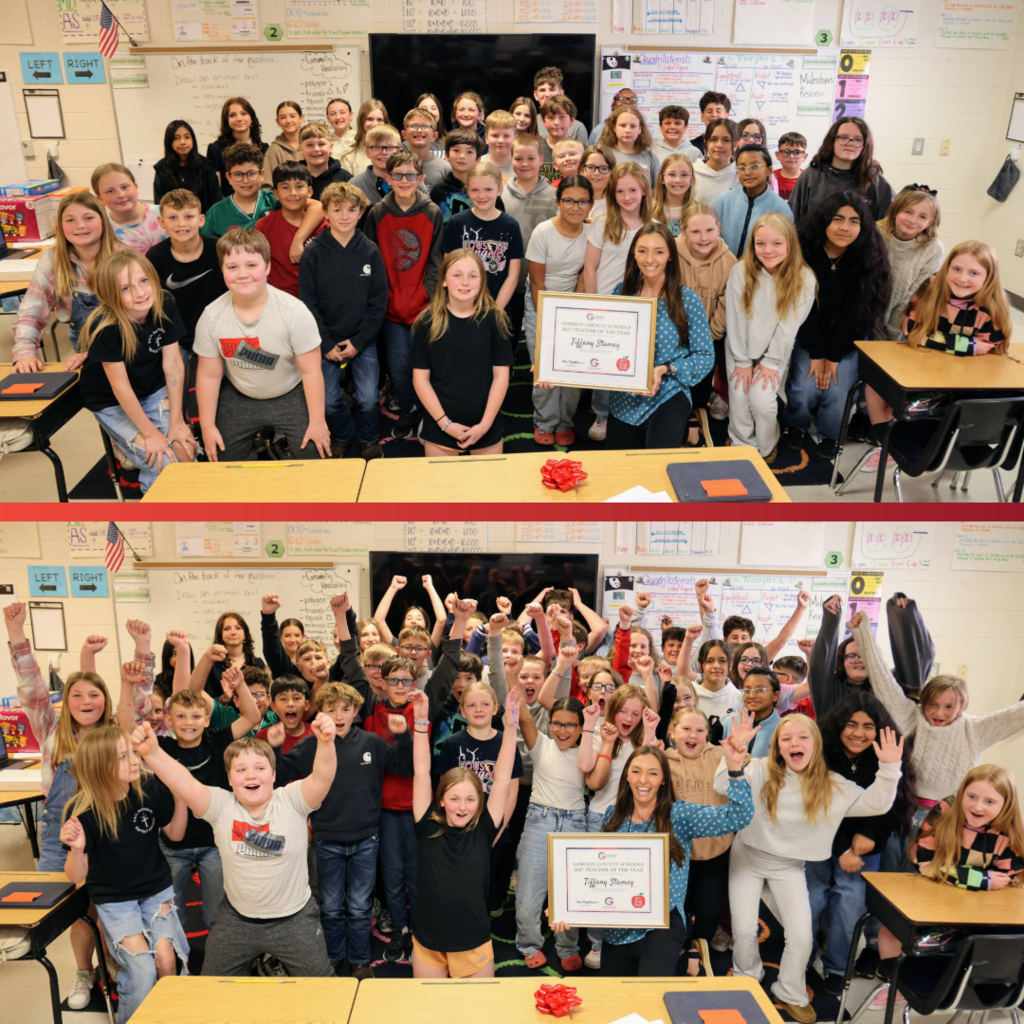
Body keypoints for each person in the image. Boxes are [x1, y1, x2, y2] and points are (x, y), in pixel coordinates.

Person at [719, 714, 904, 1023]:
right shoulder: (761, 768)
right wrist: (734, 760)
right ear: (777, 746)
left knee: (802, 938)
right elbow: (720, 784)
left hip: (789, 866)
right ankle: (746, 975)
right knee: (743, 930)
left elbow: (876, 805)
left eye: (803, 737)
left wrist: (889, 769)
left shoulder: (831, 784)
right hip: (747, 857)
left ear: (815, 744)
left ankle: (789, 991)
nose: (795, 742)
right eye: (786, 738)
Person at [130, 714, 339, 977]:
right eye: (240, 770)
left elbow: (322, 777)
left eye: (260, 768)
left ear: (273, 775)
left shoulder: (293, 799)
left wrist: (327, 742)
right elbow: (184, 782)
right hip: (237, 920)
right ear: (229, 779)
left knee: (323, 990)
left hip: (294, 920)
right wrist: (153, 753)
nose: (250, 775)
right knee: (213, 992)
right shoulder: (221, 805)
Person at [5, 603, 120, 1009]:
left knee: (107, 908)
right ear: (65, 701)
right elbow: (32, 687)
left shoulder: (115, 734)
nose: (86, 701)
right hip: (59, 836)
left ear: (106, 701)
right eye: (77, 695)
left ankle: (114, 970)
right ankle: (84, 973)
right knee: (76, 911)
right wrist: (17, 634)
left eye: (94, 694)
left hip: (109, 832)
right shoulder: (51, 730)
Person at [570, 730, 753, 977]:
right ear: (626, 777)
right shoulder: (612, 817)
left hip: (663, 922)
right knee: (617, 1006)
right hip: (618, 928)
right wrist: (570, 906)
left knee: (652, 997)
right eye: (635, 771)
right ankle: (685, 961)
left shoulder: (679, 815)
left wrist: (734, 767)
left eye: (653, 773)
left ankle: (685, 955)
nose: (643, 780)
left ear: (664, 780)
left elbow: (739, 816)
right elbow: (603, 875)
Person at [274, 680, 413, 979]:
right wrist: (274, 744)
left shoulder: (373, 742)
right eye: (330, 709)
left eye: (345, 709)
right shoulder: (312, 744)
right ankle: (335, 956)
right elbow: (281, 772)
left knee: (360, 907)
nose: (338, 716)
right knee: (332, 907)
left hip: (366, 839)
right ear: (319, 713)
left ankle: (361, 960)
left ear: (355, 711)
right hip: (326, 840)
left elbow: (406, 767)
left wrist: (403, 736)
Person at [849, 610, 1024, 831]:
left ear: (962, 706)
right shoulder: (911, 716)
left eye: (949, 707)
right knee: (895, 864)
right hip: (903, 807)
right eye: (933, 704)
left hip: (946, 815)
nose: (939, 713)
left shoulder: (975, 730)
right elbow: (882, 679)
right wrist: (862, 632)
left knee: (930, 863)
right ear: (924, 701)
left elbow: (1014, 717)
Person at [60, 725, 189, 1023]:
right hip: (115, 900)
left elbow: (176, 834)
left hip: (156, 889)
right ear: (99, 767)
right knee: (142, 971)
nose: (133, 760)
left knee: (167, 960)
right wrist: (77, 849)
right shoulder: (81, 810)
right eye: (121, 757)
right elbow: (74, 875)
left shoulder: (148, 787)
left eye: (132, 752)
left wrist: (180, 795)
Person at [872, 765, 1024, 1007]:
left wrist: (957, 875)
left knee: (1003, 939)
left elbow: (1006, 880)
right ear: (961, 792)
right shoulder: (945, 810)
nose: (977, 807)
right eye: (971, 796)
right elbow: (924, 861)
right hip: (933, 895)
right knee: (890, 929)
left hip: (978, 908)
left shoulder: (1010, 828)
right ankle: (898, 985)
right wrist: (982, 879)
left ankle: (987, 989)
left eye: (989, 801)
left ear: (1005, 805)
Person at [808, 693, 918, 995]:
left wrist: (869, 835)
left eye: (868, 726)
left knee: (850, 905)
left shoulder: (889, 755)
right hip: (820, 841)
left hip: (865, 849)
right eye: (851, 724)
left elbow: (895, 804)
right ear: (838, 725)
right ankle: (802, 960)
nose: (858, 733)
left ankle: (836, 968)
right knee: (811, 899)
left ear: (880, 729)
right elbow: (816, 806)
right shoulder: (820, 753)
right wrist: (841, 847)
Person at [194, 227, 330, 462]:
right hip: (240, 394)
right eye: (232, 267)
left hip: (290, 392)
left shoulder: (294, 313)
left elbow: (311, 372)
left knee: (313, 452)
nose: (242, 274)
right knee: (222, 456)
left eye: (251, 265)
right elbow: (208, 376)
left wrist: (318, 421)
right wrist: (207, 427)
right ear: (222, 270)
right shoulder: (211, 316)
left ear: (267, 267)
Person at [780, 191, 890, 460]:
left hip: (848, 337)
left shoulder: (870, 256)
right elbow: (798, 308)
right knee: (803, 387)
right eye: (837, 219)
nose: (845, 227)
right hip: (809, 332)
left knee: (839, 390)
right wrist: (817, 353)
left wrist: (834, 355)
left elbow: (861, 313)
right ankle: (796, 425)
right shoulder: (802, 249)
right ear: (824, 220)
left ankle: (830, 434)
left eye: (854, 221)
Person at [866, 240, 1011, 443]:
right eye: (957, 269)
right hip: (920, 363)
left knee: (898, 403)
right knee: (873, 386)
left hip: (960, 379)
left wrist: (933, 339)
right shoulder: (931, 286)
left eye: (974, 273)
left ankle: (890, 445)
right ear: (947, 267)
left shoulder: (992, 306)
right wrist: (967, 346)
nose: (962, 278)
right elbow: (912, 330)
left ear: (989, 277)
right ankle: (885, 442)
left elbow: (991, 348)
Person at [76, 250, 194, 493]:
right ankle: (159, 521)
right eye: (126, 288)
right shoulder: (105, 327)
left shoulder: (164, 302)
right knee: (162, 460)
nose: (140, 293)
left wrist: (177, 421)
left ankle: (192, 512)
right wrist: (151, 434)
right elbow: (120, 387)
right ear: (110, 295)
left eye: (144, 281)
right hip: (111, 400)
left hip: (151, 387)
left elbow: (172, 363)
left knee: (184, 449)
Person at [606, 223, 714, 449]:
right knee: (619, 471)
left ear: (670, 257)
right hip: (624, 397)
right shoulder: (620, 293)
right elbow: (604, 345)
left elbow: (705, 356)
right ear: (633, 253)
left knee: (659, 469)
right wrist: (560, 367)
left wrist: (666, 369)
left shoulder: (688, 300)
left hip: (668, 392)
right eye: (642, 250)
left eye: (659, 251)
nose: (649, 259)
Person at [300, 180, 388, 461]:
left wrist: (360, 342)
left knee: (368, 399)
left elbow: (378, 303)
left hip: (362, 340)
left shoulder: (370, 251)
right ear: (325, 212)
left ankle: (368, 439)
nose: (345, 216)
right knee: (328, 401)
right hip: (323, 340)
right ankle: (342, 434)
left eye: (351, 210)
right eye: (337, 210)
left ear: (361, 212)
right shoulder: (313, 252)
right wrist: (325, 343)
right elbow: (308, 304)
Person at [364, 150, 445, 441]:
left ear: (420, 178)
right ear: (388, 178)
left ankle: (427, 409)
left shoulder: (432, 212)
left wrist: (429, 295)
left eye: (411, 175)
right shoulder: (377, 213)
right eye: (397, 175)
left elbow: (437, 260)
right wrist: (383, 295)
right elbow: (371, 259)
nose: (404, 180)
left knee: (426, 362)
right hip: (390, 305)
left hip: (424, 305)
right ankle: (408, 408)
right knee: (398, 365)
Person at [724, 211, 815, 461]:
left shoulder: (804, 278)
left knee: (762, 401)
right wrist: (742, 361)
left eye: (777, 243)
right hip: (739, 348)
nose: (768, 250)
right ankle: (743, 444)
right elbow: (736, 319)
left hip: (774, 354)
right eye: (760, 243)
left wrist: (771, 361)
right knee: (740, 401)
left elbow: (789, 326)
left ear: (790, 244)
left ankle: (765, 447)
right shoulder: (741, 271)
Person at [576, 683, 653, 969]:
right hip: (600, 818)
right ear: (613, 709)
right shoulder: (600, 735)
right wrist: (592, 728)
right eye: (623, 711)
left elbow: (653, 776)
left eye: (636, 713)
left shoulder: (643, 740)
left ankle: (627, 939)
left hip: (635, 822)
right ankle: (597, 942)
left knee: (629, 884)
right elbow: (588, 773)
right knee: (598, 885)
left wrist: (651, 731)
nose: (629, 718)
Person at [663, 707, 743, 974]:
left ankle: (698, 947)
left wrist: (738, 755)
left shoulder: (720, 756)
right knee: (678, 907)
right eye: (686, 729)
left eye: (700, 730)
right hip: (677, 853)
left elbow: (745, 773)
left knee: (709, 907)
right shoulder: (662, 760)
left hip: (715, 849)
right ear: (672, 731)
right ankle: (679, 946)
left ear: (708, 735)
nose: (693, 735)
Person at [412, 248, 512, 456]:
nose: (465, 282)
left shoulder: (496, 319)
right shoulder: (426, 322)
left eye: (472, 276)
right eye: (457, 275)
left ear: (481, 281)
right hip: (440, 422)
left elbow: (501, 376)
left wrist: (484, 426)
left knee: (488, 488)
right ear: (444, 280)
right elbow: (420, 380)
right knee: (443, 488)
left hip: (486, 421)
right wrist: (445, 424)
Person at [513, 695, 588, 971]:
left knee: (569, 892)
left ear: (581, 728)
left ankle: (568, 945)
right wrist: (511, 675)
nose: (563, 730)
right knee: (528, 891)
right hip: (539, 820)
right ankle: (529, 943)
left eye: (571, 725)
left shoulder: (587, 750)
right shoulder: (542, 745)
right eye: (557, 723)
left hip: (575, 824)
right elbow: (523, 716)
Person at [583, 162, 655, 442]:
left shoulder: (654, 228)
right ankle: (602, 413)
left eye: (633, 190)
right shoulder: (602, 225)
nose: (626, 197)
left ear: (644, 192)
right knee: (605, 363)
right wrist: (592, 306)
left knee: (633, 361)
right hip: (605, 305)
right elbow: (590, 268)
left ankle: (634, 411)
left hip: (640, 307)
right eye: (620, 191)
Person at [11, 192, 120, 373]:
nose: (80, 226)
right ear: (59, 227)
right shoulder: (53, 260)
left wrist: (95, 353)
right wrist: (25, 353)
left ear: (103, 221)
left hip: (126, 351)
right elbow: (31, 311)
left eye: (88, 217)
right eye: (70, 220)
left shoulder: (124, 259)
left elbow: (139, 321)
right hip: (82, 354)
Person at [147, 189, 228, 420]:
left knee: (225, 391)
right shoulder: (154, 258)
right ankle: (183, 432)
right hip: (176, 339)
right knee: (177, 395)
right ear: (161, 222)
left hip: (218, 335)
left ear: (201, 220)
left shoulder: (220, 250)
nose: (182, 224)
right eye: (173, 218)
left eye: (189, 217)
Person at [526, 175, 594, 446]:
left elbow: (583, 274)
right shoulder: (543, 232)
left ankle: (565, 421)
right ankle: (544, 421)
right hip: (541, 303)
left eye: (582, 201)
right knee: (545, 368)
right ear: (558, 202)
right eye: (568, 200)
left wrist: (573, 314)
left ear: (590, 205)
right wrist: (549, 321)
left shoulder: (592, 233)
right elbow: (536, 282)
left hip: (573, 306)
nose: (575, 207)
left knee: (572, 370)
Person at [676, 204, 736, 426]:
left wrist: (705, 342)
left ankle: (695, 420)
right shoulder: (670, 253)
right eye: (695, 231)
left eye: (709, 230)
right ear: (683, 231)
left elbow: (726, 308)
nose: (703, 238)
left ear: (718, 228)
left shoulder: (730, 263)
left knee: (698, 393)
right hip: (672, 336)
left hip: (707, 340)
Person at [441, 163, 524, 309]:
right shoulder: (456, 223)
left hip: (499, 307)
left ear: (499, 190)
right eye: (474, 190)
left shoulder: (511, 226)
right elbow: (449, 269)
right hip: (461, 306)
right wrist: (464, 305)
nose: (481, 196)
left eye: (488, 189)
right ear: (467, 190)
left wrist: (496, 311)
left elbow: (513, 276)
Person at [201, 142, 325, 238]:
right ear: (228, 177)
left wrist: (299, 238)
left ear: (262, 174)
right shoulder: (216, 213)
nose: (245, 180)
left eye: (252, 173)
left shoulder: (276, 199)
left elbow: (317, 207)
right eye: (238, 174)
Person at [503, 133, 558, 347]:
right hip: (509, 284)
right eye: (518, 158)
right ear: (511, 158)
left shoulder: (555, 196)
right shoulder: (500, 196)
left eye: (531, 158)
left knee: (544, 341)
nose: (524, 164)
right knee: (508, 338)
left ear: (541, 159)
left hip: (545, 283)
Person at [789, 117, 895, 223]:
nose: (850, 143)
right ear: (832, 140)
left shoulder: (875, 180)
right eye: (843, 137)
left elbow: (888, 224)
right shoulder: (810, 176)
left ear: (865, 145)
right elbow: (792, 220)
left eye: (858, 139)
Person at [876, 186, 944, 340]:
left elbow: (915, 295)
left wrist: (894, 331)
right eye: (908, 211)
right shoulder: (875, 234)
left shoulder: (933, 249)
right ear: (895, 211)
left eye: (922, 216)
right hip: (870, 316)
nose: (912, 220)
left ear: (931, 221)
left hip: (903, 319)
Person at [255, 161, 328, 298]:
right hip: (281, 302)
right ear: (275, 194)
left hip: (320, 300)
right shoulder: (263, 226)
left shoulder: (324, 226)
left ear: (310, 191)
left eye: (299, 186)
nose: (293, 193)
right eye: (285, 188)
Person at [713, 144, 793, 256]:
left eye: (755, 166)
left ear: (769, 171)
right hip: (724, 269)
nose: (747, 172)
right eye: (742, 168)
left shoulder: (780, 208)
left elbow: (786, 249)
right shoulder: (724, 201)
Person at [92, 162, 166, 255]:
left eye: (124, 187)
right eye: (110, 191)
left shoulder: (164, 214)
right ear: (100, 199)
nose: (120, 195)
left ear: (135, 187)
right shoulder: (101, 229)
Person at [152, 119, 222, 212]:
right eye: (176, 138)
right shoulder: (162, 168)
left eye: (187, 137)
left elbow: (216, 200)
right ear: (169, 142)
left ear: (193, 139)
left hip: (203, 223)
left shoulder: (206, 166)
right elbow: (159, 204)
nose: (182, 142)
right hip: (174, 222)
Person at [206, 96, 267, 196]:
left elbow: (266, 184)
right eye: (232, 115)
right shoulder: (216, 149)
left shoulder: (264, 148)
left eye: (243, 113)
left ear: (251, 118)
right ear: (226, 121)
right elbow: (216, 190)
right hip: (228, 205)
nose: (239, 119)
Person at [721, 666, 783, 755]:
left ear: (775, 695)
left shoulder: (782, 728)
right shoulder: (730, 722)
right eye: (747, 690)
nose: (752, 696)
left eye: (760, 690)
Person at [430, 128, 485, 224]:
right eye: (456, 150)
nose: (462, 156)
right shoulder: (438, 191)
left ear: (478, 159)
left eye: (469, 152)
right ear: (446, 155)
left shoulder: (486, 189)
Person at [598, 105, 660, 182]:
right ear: (614, 128)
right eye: (623, 125)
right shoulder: (605, 155)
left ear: (639, 129)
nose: (627, 130)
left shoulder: (651, 158)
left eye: (633, 126)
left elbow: (656, 191)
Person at [349, 124, 403, 210]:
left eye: (390, 147)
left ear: (400, 152)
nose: (384, 152)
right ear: (367, 152)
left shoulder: (412, 181)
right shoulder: (355, 185)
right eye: (377, 147)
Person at [533, 66, 590, 143]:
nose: (547, 94)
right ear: (536, 95)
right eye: (542, 90)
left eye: (552, 89)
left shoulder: (578, 128)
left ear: (561, 93)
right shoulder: (530, 123)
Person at [299, 122, 352, 200]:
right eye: (309, 145)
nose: (316, 149)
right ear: (301, 149)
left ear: (331, 147)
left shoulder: (345, 177)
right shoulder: (293, 177)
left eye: (321, 144)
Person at [692, 119, 739, 206]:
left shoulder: (740, 175)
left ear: (735, 145)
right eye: (714, 139)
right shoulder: (692, 171)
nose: (719, 145)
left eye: (726, 140)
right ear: (706, 143)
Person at [339, 98, 389, 176]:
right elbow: (347, 187)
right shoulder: (349, 155)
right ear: (361, 121)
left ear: (385, 122)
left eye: (379, 120)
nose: (375, 124)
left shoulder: (394, 151)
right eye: (369, 119)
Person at [651, 152, 695, 237]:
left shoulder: (697, 211)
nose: (678, 180)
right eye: (672, 174)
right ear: (662, 179)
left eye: (684, 174)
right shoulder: (649, 209)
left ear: (691, 180)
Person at [402, 107, 447, 189]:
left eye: (425, 126)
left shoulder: (445, 168)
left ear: (434, 135)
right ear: (404, 134)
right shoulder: (397, 166)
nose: (419, 130)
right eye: (413, 126)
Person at [539, 96, 580, 181]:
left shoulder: (582, 151)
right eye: (551, 117)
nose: (556, 123)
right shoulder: (535, 150)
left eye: (562, 117)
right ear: (543, 121)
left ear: (572, 120)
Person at [263, 100, 305, 178]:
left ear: (301, 118)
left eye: (292, 116)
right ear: (278, 121)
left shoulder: (312, 145)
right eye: (283, 118)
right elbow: (267, 186)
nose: (288, 121)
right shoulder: (273, 151)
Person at [481, 109, 518, 188]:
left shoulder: (522, 166)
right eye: (495, 136)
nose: (501, 141)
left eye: (506, 136)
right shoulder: (477, 165)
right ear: (486, 138)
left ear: (515, 138)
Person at [580, 143, 615, 221]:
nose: (596, 173)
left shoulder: (619, 202)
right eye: (590, 167)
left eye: (604, 168)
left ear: (612, 171)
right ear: (581, 170)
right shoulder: (572, 200)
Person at [774, 132, 808, 202]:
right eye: (786, 152)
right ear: (778, 155)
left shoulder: (808, 180)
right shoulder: (771, 178)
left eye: (797, 152)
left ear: (805, 156)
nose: (791, 156)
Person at [326, 97, 355, 162]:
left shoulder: (362, 139)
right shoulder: (325, 143)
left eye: (342, 112)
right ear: (328, 119)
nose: (338, 117)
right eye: (333, 114)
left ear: (351, 115)